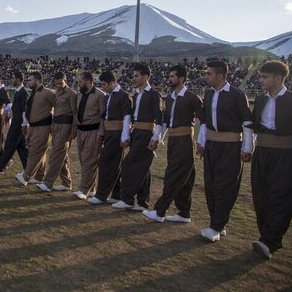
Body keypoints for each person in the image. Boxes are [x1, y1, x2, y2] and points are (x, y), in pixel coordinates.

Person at [249, 60, 292, 258]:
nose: (261, 80)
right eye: (260, 76)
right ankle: (266, 236)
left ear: (278, 78)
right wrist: (247, 149)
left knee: (282, 197)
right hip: (262, 154)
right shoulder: (259, 100)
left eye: (264, 77)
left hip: (285, 156)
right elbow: (253, 127)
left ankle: (270, 241)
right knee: (260, 195)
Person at [196, 60, 253, 242]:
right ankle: (218, 223)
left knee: (225, 186)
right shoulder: (209, 94)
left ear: (220, 75)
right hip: (212, 145)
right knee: (211, 185)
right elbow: (205, 121)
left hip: (230, 146)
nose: (206, 76)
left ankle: (216, 227)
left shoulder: (237, 95)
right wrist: (202, 142)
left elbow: (247, 122)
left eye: (209, 74)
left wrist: (247, 147)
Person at [142, 65, 204, 223]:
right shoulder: (169, 98)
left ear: (182, 78)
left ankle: (159, 211)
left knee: (173, 175)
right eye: (169, 76)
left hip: (185, 141)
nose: (169, 79)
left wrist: (201, 142)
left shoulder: (192, 98)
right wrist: (157, 139)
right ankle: (184, 213)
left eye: (173, 76)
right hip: (173, 140)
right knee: (186, 176)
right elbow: (165, 122)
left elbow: (204, 121)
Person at [112, 63, 162, 211]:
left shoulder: (154, 94)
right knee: (144, 169)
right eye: (133, 75)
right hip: (136, 132)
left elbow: (159, 117)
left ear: (146, 77)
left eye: (137, 75)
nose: (134, 78)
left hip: (146, 133)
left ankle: (127, 199)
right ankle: (142, 202)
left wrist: (156, 138)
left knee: (128, 164)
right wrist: (127, 134)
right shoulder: (136, 94)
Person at [87, 70, 132, 205]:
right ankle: (117, 194)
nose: (103, 87)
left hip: (117, 133)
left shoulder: (124, 96)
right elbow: (104, 116)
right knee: (115, 163)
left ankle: (101, 195)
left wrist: (125, 135)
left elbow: (127, 117)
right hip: (108, 132)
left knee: (105, 162)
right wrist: (101, 132)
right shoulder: (108, 96)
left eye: (105, 84)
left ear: (113, 82)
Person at [37, 72, 76, 192]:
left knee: (56, 154)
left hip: (66, 126)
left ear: (66, 80)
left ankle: (48, 183)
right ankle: (66, 183)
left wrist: (73, 131)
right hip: (56, 125)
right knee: (62, 155)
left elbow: (75, 113)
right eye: (57, 83)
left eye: (61, 82)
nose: (59, 85)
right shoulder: (57, 93)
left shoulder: (71, 94)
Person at [15, 71, 55, 186]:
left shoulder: (48, 92)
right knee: (39, 152)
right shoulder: (34, 92)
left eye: (31, 80)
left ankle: (26, 177)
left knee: (35, 152)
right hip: (33, 127)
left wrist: (52, 122)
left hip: (43, 128)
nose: (28, 82)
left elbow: (59, 106)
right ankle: (39, 177)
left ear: (37, 81)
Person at [72, 71, 106, 200]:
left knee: (89, 161)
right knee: (83, 160)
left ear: (88, 81)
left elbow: (103, 116)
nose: (79, 84)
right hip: (81, 131)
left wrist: (101, 132)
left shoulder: (99, 95)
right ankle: (91, 189)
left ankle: (83, 189)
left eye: (80, 82)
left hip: (93, 132)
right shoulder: (79, 95)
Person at [0, 71, 29, 174]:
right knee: (22, 149)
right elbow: (17, 108)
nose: (12, 79)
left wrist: (24, 124)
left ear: (19, 79)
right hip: (16, 122)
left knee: (9, 145)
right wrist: (9, 114)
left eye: (13, 77)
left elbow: (25, 110)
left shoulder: (23, 92)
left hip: (18, 124)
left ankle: (0, 168)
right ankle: (29, 171)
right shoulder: (18, 91)